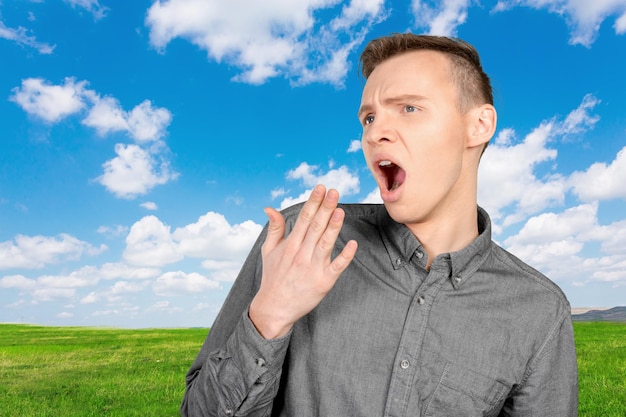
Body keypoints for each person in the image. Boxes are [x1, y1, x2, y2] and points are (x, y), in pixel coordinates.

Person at [181, 33, 578, 416]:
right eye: (368, 117)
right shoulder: (303, 237)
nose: (374, 133)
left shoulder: (539, 311)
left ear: (479, 125)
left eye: (408, 108)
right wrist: (268, 316)